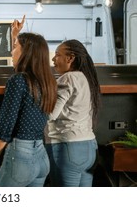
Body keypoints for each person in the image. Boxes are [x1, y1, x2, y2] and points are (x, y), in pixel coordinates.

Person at [0, 19, 57, 187]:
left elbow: (5, 128)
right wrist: (15, 36)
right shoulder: (47, 82)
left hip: (20, 157)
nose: (11, 52)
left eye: (15, 47)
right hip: (41, 157)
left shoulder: (18, 81)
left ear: (26, 52)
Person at [45, 39, 100, 187]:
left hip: (67, 147)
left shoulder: (67, 78)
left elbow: (51, 114)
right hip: (89, 147)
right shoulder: (87, 78)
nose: (53, 59)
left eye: (57, 55)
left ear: (70, 58)